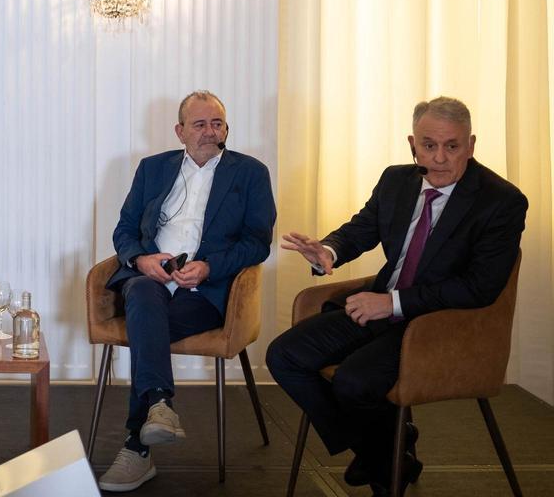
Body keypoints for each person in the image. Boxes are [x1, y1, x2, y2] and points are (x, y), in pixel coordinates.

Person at [267, 96, 527, 497]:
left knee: (354, 381)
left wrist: (394, 304)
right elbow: (362, 228)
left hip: (441, 323)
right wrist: (329, 251)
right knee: (284, 356)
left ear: (471, 145)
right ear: (412, 144)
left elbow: (480, 286)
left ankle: (382, 470)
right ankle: (386, 453)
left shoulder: (502, 201)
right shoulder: (396, 180)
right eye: (429, 145)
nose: (439, 158)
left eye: (452, 146)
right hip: (380, 307)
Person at [98, 91, 275, 492]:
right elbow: (124, 230)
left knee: (146, 327)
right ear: (180, 131)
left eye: (218, 124)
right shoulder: (152, 169)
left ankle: (136, 448)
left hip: (208, 291)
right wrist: (142, 260)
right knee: (142, 293)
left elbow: (257, 242)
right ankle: (159, 408)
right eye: (200, 124)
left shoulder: (250, 173)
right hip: (152, 281)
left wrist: (210, 267)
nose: (210, 132)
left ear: (226, 129)